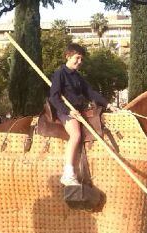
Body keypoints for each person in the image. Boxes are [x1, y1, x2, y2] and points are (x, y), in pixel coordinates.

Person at [49, 43, 108, 186]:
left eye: (82, 59)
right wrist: (69, 111)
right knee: (76, 135)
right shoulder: (59, 74)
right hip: (65, 111)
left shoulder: (78, 76)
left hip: (79, 111)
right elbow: (54, 97)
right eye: (77, 58)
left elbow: (90, 92)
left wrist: (108, 104)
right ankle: (68, 174)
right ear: (68, 56)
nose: (80, 62)